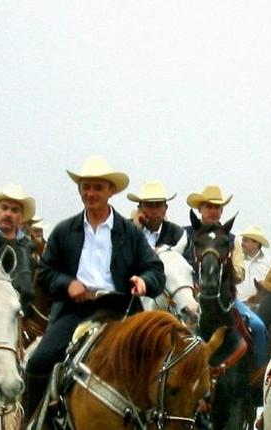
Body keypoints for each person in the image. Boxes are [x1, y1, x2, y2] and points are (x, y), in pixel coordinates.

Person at [24, 156, 165, 419]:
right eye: (85, 187)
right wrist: (68, 284)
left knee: (160, 363)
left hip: (120, 310)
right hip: (74, 310)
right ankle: (31, 423)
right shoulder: (64, 231)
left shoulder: (129, 232)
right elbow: (45, 273)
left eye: (98, 188)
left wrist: (144, 281)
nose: (90, 193)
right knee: (38, 362)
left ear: (111, 191)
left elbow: (155, 270)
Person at [183, 184, 268, 368]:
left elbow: (239, 274)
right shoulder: (185, 235)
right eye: (209, 206)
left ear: (222, 211)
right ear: (200, 209)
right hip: (189, 298)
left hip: (224, 300)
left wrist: (225, 267)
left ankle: (259, 380)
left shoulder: (232, 240)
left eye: (217, 207)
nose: (213, 211)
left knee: (259, 328)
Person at [0, 184, 38, 314]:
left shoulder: (30, 247)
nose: (8, 214)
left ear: (21, 217)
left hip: (24, 314)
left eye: (15, 210)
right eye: (4, 208)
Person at [128, 180, 185, 248]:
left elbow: (187, 258)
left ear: (166, 208)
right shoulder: (124, 230)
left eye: (158, 205)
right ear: (139, 208)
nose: (154, 211)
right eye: (149, 205)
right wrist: (134, 231)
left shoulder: (177, 234)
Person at [236, 225, 271, 304]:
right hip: (237, 307)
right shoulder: (237, 260)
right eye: (243, 240)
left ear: (256, 244)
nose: (242, 243)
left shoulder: (270, 263)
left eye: (245, 241)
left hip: (259, 308)